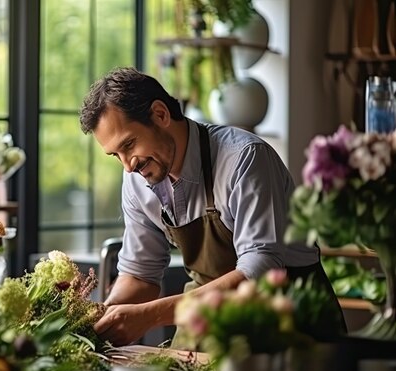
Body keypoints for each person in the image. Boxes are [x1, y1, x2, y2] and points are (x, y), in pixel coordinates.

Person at [79, 67, 345, 346]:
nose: (128, 165)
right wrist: (102, 316)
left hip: (289, 320)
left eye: (129, 144)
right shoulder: (137, 179)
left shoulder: (245, 159)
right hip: (209, 321)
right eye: (115, 155)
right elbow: (139, 275)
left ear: (160, 114)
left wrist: (149, 316)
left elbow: (260, 272)